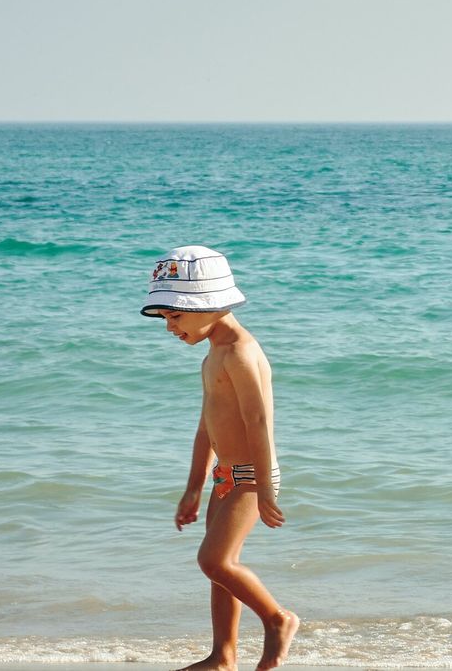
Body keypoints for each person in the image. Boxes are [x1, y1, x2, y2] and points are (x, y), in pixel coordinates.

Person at [141, 245, 298, 671]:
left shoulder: (240, 353)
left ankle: (278, 619)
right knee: (219, 571)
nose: (169, 327)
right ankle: (223, 656)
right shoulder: (213, 356)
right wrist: (193, 488)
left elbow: (258, 422)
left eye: (175, 316)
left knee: (215, 561)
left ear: (208, 305)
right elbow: (206, 428)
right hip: (225, 475)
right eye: (165, 318)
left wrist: (264, 489)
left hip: (250, 476)